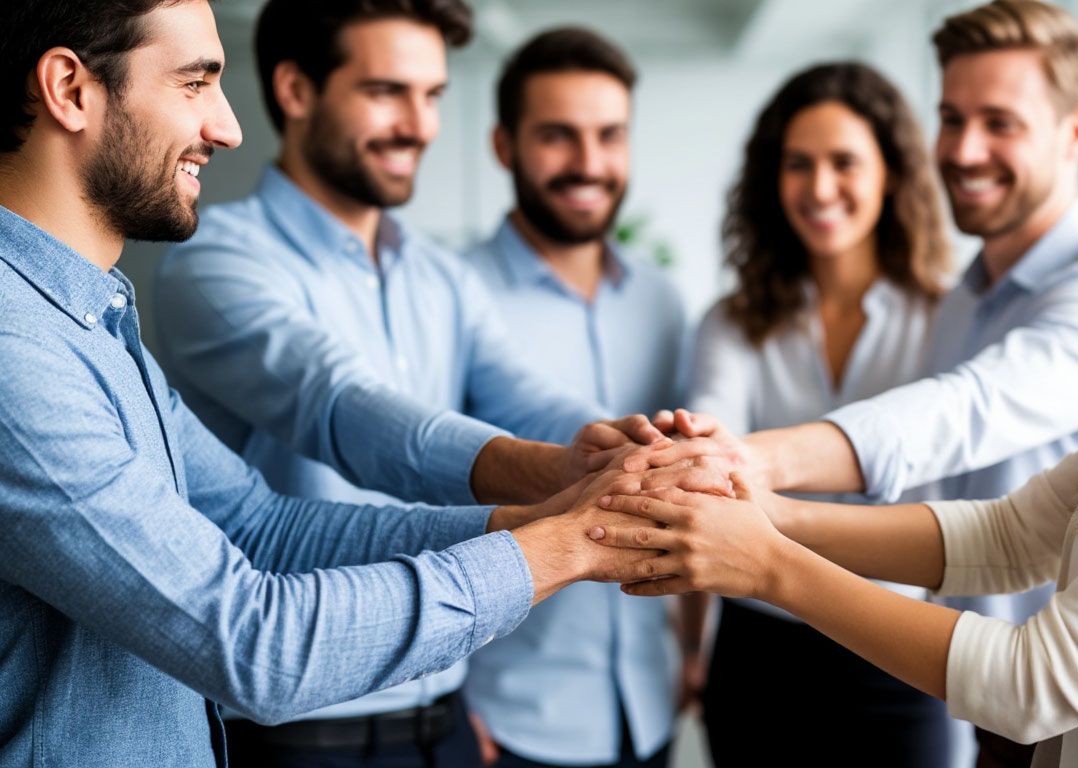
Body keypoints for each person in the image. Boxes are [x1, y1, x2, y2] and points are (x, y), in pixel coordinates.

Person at [597, 0, 1078, 765]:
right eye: (950, 118)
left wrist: (764, 536)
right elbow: (1016, 533)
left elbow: (1041, 669)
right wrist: (766, 511)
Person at [0, 2, 684, 767]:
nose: (227, 127)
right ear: (68, 88)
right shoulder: (17, 348)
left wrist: (565, 495)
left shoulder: (94, 317)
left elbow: (264, 528)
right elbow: (254, 636)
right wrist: (567, 541)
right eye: (195, 83)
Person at [684, 62, 954, 767]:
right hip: (760, 650)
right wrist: (691, 645)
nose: (820, 187)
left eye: (845, 162)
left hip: (899, 644)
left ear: (891, 173)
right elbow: (711, 465)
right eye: (798, 164)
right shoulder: (732, 323)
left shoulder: (946, 315)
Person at [462, 28, 686, 768]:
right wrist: (446, 702)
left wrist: (692, 647)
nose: (589, 164)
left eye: (608, 136)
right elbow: (397, 496)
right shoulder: (454, 297)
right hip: (510, 719)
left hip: (648, 707)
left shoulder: (662, 302)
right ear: (504, 145)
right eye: (559, 136)